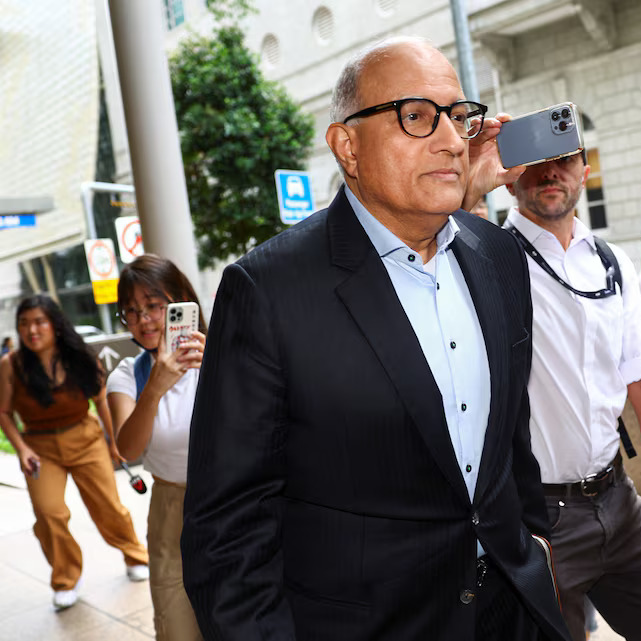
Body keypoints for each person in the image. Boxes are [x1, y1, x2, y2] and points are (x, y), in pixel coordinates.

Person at [181, 37, 571, 641]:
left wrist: (535, 547)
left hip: (511, 612)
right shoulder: (266, 290)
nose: (450, 139)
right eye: (416, 116)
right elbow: (228, 531)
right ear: (347, 146)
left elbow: (509, 439)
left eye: (459, 117)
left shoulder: (496, 255)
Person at [501, 150, 641, 641]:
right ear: (509, 179)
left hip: (619, 502)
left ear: (586, 174)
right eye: (532, 161)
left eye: (565, 159)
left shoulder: (609, 260)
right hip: (535, 519)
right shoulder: (485, 257)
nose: (550, 172)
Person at [0, 294, 149, 611]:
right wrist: (22, 449)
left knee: (108, 506)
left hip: (85, 437)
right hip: (39, 448)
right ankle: (65, 579)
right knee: (49, 513)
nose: (32, 330)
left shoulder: (80, 355)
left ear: (54, 323)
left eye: (39, 321)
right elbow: (3, 412)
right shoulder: (10, 365)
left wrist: (114, 441)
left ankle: (136, 555)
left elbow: (101, 397)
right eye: (24, 324)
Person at [106, 255, 205, 641]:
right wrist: (156, 386)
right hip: (171, 506)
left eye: (153, 306)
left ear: (181, 302)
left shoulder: (219, 352)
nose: (144, 319)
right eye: (131, 311)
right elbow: (129, 448)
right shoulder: (128, 375)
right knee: (177, 620)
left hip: (231, 496)